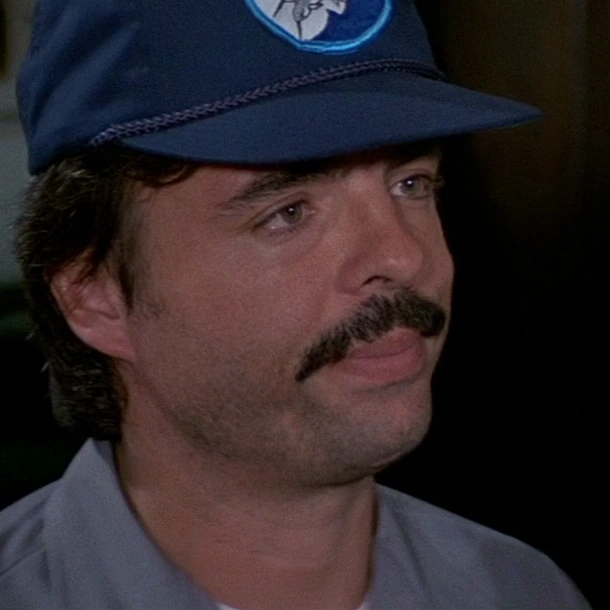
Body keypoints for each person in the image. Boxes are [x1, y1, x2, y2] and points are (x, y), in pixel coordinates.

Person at [0, 0, 592, 608]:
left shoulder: (523, 591)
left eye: (411, 184)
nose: (403, 256)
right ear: (95, 296)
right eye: (288, 213)